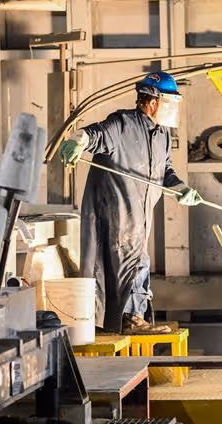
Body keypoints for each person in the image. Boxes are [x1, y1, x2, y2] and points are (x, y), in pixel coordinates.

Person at [58, 71, 202, 334]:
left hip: (141, 213)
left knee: (135, 260)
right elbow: (96, 134)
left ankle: (129, 317)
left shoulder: (162, 135)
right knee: (132, 261)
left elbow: (165, 171)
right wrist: (78, 141)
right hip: (118, 210)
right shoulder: (123, 123)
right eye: (170, 102)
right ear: (154, 101)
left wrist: (180, 188)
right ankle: (131, 318)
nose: (172, 109)